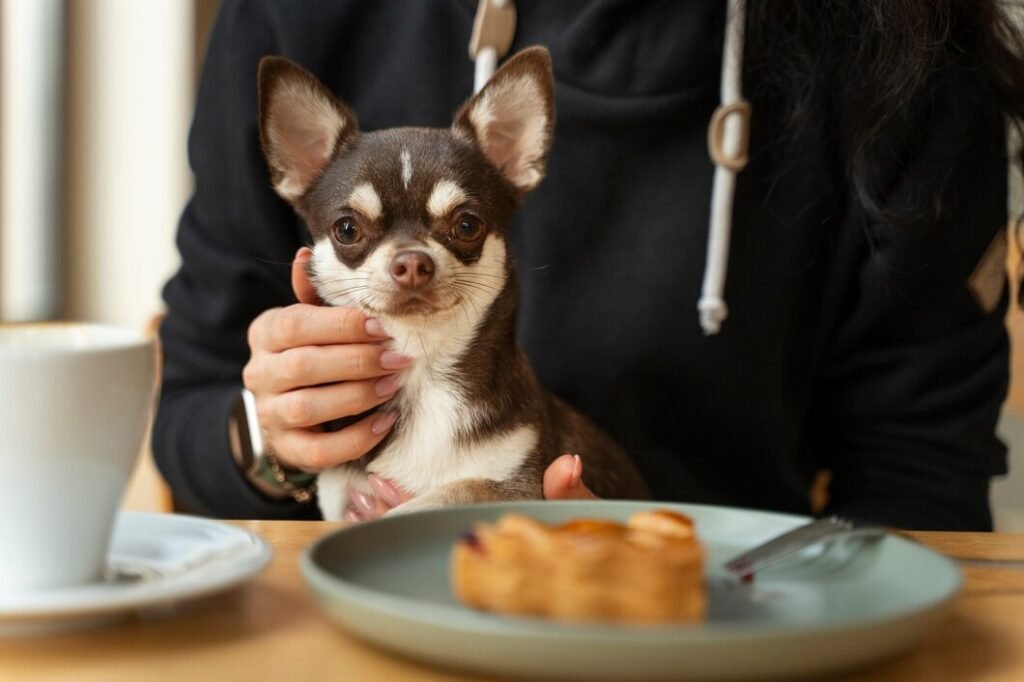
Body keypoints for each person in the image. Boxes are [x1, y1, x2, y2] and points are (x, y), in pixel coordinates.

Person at [153, 0, 1024, 530]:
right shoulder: (301, 16)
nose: (411, 264)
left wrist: (688, 595)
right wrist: (277, 441)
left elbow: (920, 480)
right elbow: (189, 407)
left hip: (732, 624)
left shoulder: (912, 54)